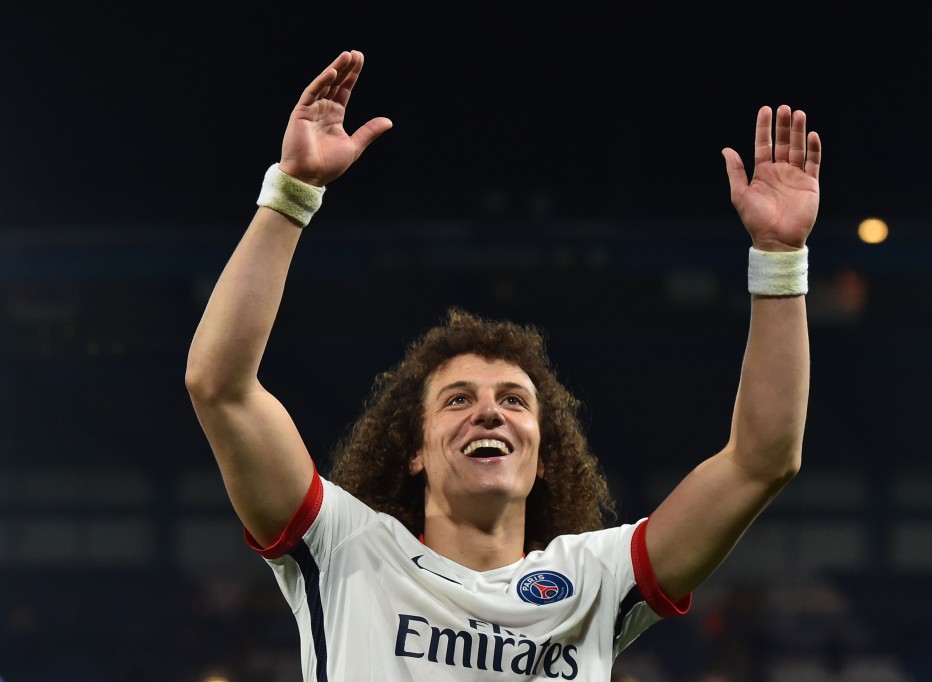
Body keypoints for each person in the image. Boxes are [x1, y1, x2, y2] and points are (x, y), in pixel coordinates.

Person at [185, 49, 821, 681]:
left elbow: (761, 460)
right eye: (457, 399)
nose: (489, 409)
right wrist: (293, 192)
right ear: (414, 449)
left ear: (543, 455)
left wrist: (780, 257)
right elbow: (220, 387)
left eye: (515, 400)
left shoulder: (593, 581)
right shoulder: (347, 551)